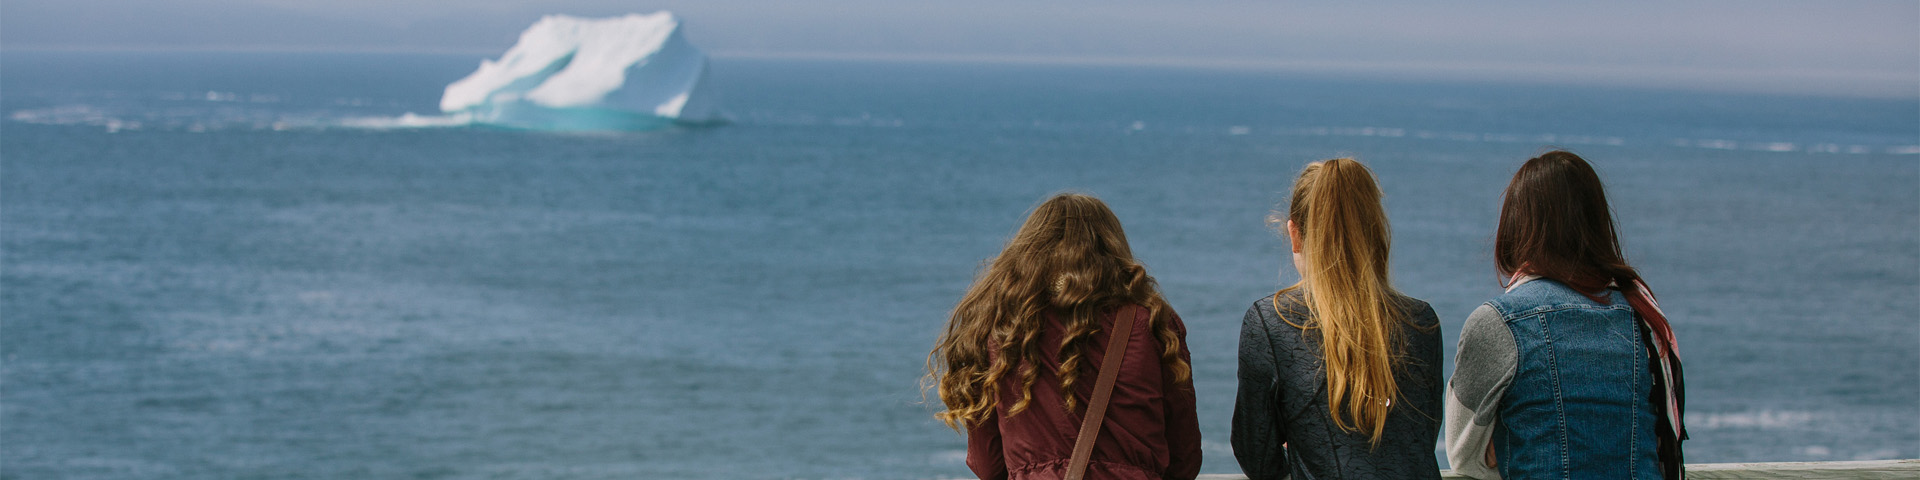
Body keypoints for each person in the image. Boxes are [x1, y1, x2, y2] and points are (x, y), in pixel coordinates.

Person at [1445, 150, 1687, 480]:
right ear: (1597, 224)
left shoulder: (1498, 323)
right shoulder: (1645, 316)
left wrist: (1505, 440)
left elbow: (1464, 457)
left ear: (1517, 226)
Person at [928, 193, 1202, 480]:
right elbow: (1185, 455)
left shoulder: (999, 328)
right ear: (1112, 250)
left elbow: (988, 465)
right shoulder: (1153, 322)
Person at [1232, 158, 1445, 479]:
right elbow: (1417, 440)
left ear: (1295, 233)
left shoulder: (1272, 321)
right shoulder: (1421, 321)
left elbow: (1256, 453)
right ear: (1375, 231)